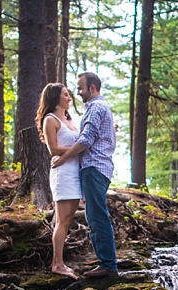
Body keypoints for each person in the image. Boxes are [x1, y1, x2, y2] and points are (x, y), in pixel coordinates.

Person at [52, 72, 118, 278]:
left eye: (80, 88)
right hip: (99, 168)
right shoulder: (99, 108)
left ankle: (108, 264)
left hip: (94, 167)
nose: (77, 93)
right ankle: (106, 262)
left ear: (92, 88)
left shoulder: (96, 107)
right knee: (95, 214)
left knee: (97, 215)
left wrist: (63, 158)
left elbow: (86, 140)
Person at [36, 83, 81, 280]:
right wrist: (80, 148)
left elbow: (81, 142)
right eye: (65, 95)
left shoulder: (70, 120)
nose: (69, 97)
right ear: (55, 98)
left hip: (75, 172)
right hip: (62, 173)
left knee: (68, 219)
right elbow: (53, 149)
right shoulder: (50, 119)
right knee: (62, 221)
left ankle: (60, 261)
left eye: (69, 94)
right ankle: (57, 263)